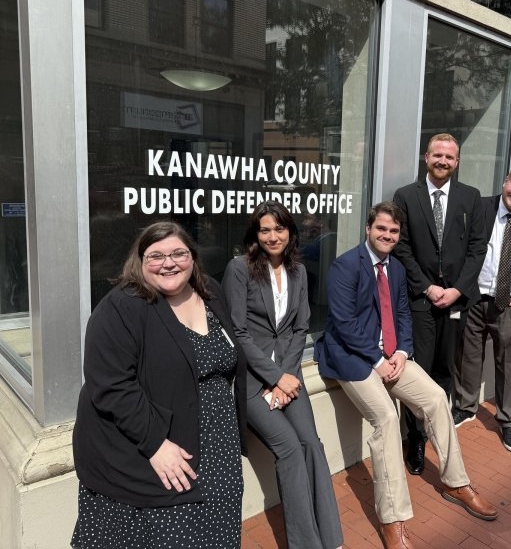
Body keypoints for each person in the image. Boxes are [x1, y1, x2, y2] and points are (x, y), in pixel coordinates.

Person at [315, 202, 497, 549]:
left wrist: (400, 353)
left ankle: (456, 482)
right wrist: (376, 359)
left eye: (394, 231)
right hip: (353, 359)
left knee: (436, 398)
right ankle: (392, 519)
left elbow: (401, 313)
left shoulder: (396, 268)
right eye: (381, 228)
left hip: (391, 355)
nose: (387, 235)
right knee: (385, 417)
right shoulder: (345, 266)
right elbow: (343, 322)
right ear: (368, 229)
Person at [71, 221, 247, 549]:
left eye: (178, 253)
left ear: (193, 257)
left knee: (217, 533)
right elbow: (111, 385)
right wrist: (155, 444)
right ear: (140, 262)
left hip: (217, 448)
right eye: (156, 256)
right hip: (158, 451)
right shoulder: (123, 306)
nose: (168, 263)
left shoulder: (209, 290)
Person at [223, 201, 343, 549]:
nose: (272, 236)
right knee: (289, 448)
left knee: (312, 444)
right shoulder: (239, 268)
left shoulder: (298, 271)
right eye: (264, 229)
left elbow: (299, 327)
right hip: (252, 381)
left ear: (290, 232)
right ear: (255, 234)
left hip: (289, 376)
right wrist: (273, 378)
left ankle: (330, 537)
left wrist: (287, 378)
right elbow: (238, 332)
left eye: (279, 228)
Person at [392, 133, 486, 475]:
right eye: (437, 155)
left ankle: (436, 429)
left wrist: (459, 290)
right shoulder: (406, 196)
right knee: (418, 371)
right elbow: (401, 248)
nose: (443, 161)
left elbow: (478, 249)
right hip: (421, 300)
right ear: (426, 157)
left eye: (449, 157)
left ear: (457, 162)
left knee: (446, 369)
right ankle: (414, 437)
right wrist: (428, 288)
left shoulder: (471, 198)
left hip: (456, 302)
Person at [452, 164, 511, 453]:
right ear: (505, 181)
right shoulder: (479, 207)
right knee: (467, 358)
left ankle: (508, 421)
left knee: (509, 364)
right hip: (474, 299)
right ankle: (465, 407)